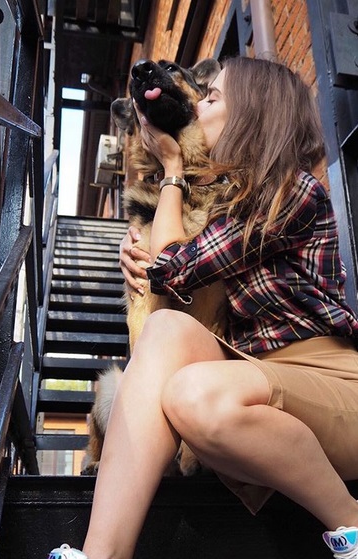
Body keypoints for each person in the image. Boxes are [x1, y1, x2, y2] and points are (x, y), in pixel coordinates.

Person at [47, 56, 358, 559]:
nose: (201, 106)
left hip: (334, 386)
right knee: (167, 330)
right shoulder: (226, 206)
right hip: (252, 381)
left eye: (212, 97)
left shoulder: (289, 191)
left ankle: (353, 523)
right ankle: (101, 555)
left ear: (251, 114)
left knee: (194, 395)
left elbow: (172, 267)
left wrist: (171, 170)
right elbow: (170, 282)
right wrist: (140, 249)